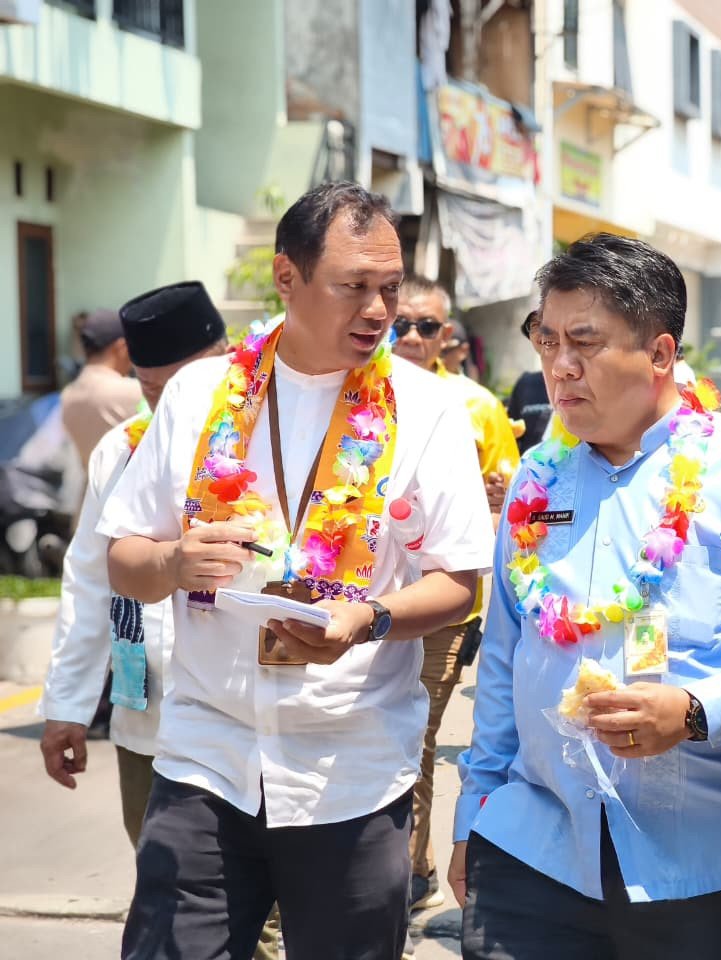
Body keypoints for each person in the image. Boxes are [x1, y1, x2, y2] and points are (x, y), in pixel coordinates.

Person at [97, 182, 495, 960]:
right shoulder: (201, 393)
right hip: (207, 760)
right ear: (287, 278)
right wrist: (176, 562)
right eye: (354, 287)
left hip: (351, 770)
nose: (379, 310)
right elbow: (123, 559)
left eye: (390, 287)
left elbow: (459, 581)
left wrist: (369, 619)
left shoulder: (427, 407)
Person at [448, 233, 721, 959]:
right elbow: (506, 663)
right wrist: (472, 818)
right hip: (531, 849)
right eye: (548, 341)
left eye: (585, 341)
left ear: (661, 353)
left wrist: (697, 711)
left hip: (691, 862)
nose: (560, 366)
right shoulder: (536, 481)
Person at [39, 281, 227, 845]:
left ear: (224, 362)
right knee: (161, 878)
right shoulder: (121, 449)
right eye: (150, 390)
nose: (167, 407)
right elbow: (90, 581)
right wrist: (68, 705)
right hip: (146, 715)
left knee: (245, 913)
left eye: (179, 389)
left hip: (240, 718)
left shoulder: (270, 443)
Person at [390, 272, 519, 912]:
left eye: (426, 327)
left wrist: (499, 496)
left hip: (443, 601)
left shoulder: (475, 406)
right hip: (361, 595)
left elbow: (514, 498)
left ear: (447, 337)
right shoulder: (359, 394)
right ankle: (396, 863)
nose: (412, 337)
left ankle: (407, 871)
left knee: (418, 734)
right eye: (400, 324)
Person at [60, 307, 144, 468]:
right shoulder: (134, 392)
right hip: (123, 490)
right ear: (121, 347)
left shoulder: (67, 395)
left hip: (86, 491)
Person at [508, 310, 555, 454]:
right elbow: (511, 437)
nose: (542, 331)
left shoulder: (584, 378)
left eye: (548, 321)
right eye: (535, 324)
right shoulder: (525, 384)